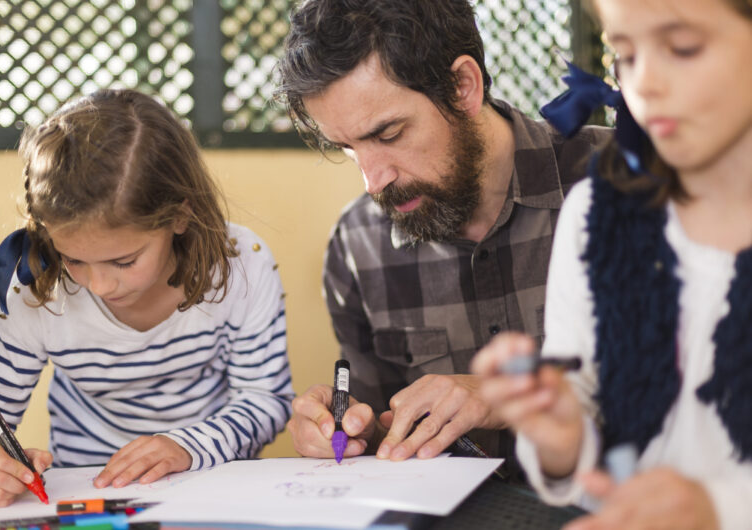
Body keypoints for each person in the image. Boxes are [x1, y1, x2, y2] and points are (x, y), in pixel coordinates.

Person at [274, 0, 609, 473]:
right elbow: (379, 424)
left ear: (463, 87)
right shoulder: (358, 245)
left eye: (388, 133)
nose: (373, 181)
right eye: (347, 148)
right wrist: (348, 429)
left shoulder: (626, 183)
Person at [471, 0, 752, 527]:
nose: (643, 83)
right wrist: (560, 431)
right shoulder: (597, 219)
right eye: (624, 53)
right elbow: (581, 405)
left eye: (683, 47)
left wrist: (720, 510)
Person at [0, 89, 294, 507]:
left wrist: (189, 447)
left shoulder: (242, 265)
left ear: (181, 215)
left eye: (124, 261)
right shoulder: (35, 283)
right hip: (86, 489)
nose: (99, 286)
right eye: (73, 259)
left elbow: (265, 398)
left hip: (212, 481)